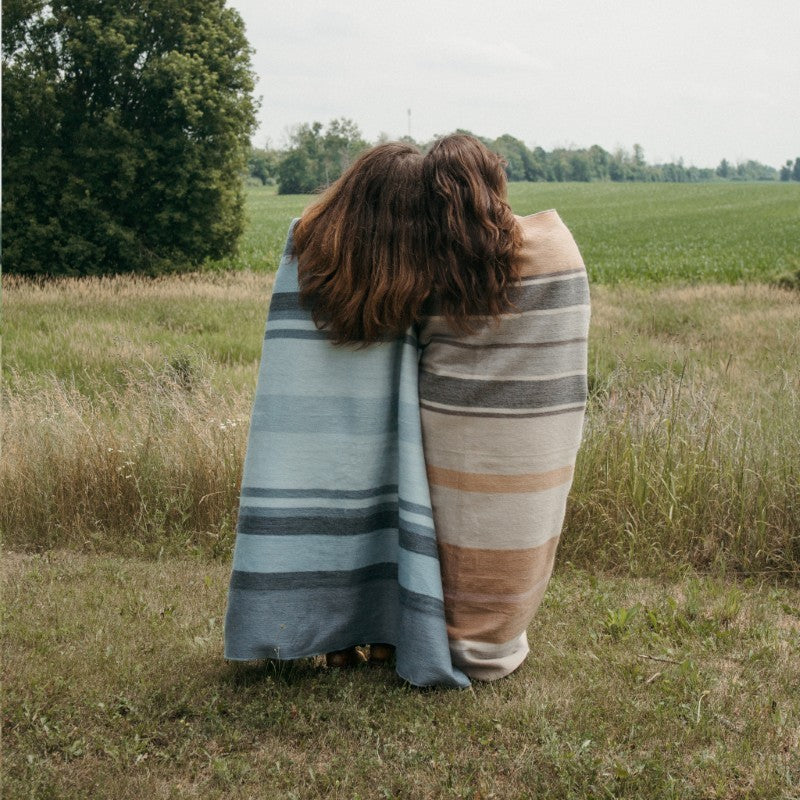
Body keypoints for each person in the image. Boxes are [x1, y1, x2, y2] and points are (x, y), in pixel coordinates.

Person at [223, 142, 470, 688]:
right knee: (383, 518)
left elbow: (288, 339)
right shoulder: (417, 254)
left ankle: (328, 645)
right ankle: (384, 637)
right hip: (385, 418)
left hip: (310, 416)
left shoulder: (306, 236)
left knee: (318, 524)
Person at [416, 134, 590, 680]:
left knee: (451, 532)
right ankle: (495, 638)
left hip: (442, 425)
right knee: (516, 522)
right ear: (497, 180)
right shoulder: (555, 246)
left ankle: (443, 633)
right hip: (532, 435)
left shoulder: (426, 265)